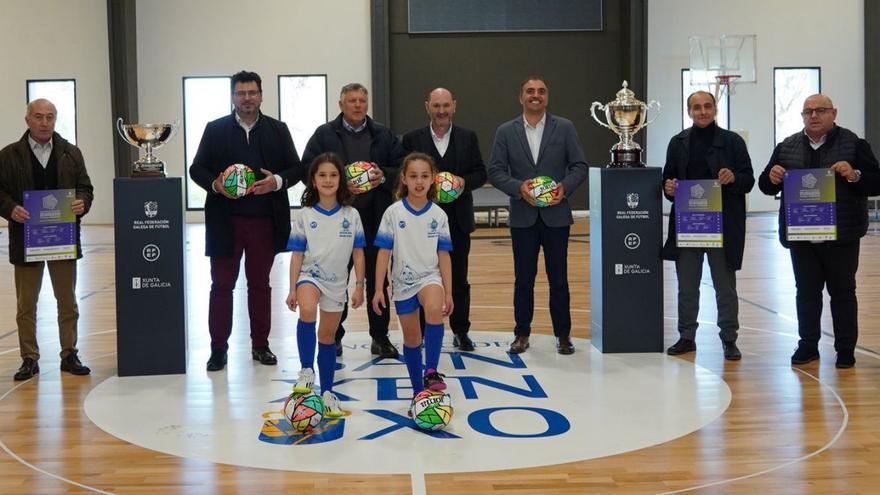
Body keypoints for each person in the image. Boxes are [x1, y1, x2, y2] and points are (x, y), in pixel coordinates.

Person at [190, 70, 302, 372]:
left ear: (261, 95)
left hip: (264, 221)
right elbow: (196, 168)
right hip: (225, 222)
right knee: (222, 285)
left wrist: (277, 182)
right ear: (233, 97)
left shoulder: (278, 130)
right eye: (241, 93)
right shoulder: (215, 130)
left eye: (252, 92)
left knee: (260, 285)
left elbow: (297, 167)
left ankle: (260, 345)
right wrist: (217, 185)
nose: (247, 98)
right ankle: (218, 349)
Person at [759, 93, 880, 369]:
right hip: (802, 237)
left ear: (833, 113)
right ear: (802, 116)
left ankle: (845, 349)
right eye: (808, 111)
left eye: (820, 110)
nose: (813, 115)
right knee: (806, 293)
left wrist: (854, 174)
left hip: (842, 237)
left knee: (843, 294)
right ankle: (808, 345)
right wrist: (771, 177)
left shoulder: (854, 144)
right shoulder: (786, 146)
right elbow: (766, 186)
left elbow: (876, 182)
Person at [301, 83, 404, 359]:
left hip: (376, 218)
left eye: (362, 100)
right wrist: (337, 184)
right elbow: (306, 168)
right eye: (352, 100)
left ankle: (380, 337)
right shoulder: (324, 134)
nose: (358, 105)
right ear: (341, 104)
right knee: (336, 278)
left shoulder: (382, 134)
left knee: (378, 279)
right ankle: (334, 336)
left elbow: (402, 169)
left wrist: (381, 176)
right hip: (337, 222)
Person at [488, 75, 587, 355]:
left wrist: (564, 188)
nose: (536, 95)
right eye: (530, 91)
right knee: (524, 279)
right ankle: (521, 333)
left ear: (547, 97)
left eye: (541, 91)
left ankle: (563, 334)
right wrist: (519, 188)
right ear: (521, 97)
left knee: (559, 279)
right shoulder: (505, 131)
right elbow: (495, 171)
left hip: (556, 216)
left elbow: (579, 165)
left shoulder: (564, 128)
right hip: (523, 216)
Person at [0, 99, 94, 380]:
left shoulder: (72, 153)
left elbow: (86, 189)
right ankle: (29, 358)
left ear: (56, 120)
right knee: (26, 304)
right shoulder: (8, 155)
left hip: (62, 237)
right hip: (26, 237)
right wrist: (9, 209)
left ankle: (69, 353)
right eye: (38, 117)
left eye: (49, 117)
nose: (44, 122)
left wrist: (81, 203)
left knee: (67, 301)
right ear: (27, 119)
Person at [661, 90, 754, 361]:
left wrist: (733, 177)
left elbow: (748, 180)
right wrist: (668, 187)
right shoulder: (677, 142)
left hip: (722, 226)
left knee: (725, 286)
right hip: (688, 225)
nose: (703, 111)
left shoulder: (733, 141)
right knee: (687, 286)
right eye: (697, 107)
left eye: (707, 106)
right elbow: (669, 180)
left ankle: (729, 338)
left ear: (715, 109)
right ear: (689, 111)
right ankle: (686, 336)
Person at [402, 87, 487, 352]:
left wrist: (464, 182)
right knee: (422, 277)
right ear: (427, 106)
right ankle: (425, 331)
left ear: (454, 106)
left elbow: (480, 173)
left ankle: (461, 331)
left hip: (457, 222)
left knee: (458, 278)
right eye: (436, 105)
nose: (441, 111)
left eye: (446, 105)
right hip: (420, 224)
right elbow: (402, 175)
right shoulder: (411, 139)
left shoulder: (467, 137)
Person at [286, 152, 365, 417]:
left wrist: (359, 286)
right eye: (322, 175)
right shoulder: (305, 215)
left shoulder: (351, 215)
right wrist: (291, 288)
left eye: (333, 175)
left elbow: (358, 254)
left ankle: (328, 391)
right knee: (307, 311)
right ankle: (306, 370)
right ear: (313, 180)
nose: (328, 180)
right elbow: (297, 254)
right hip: (310, 276)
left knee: (328, 337)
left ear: (340, 179)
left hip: (337, 284)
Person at [372, 152, 453, 403]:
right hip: (403, 283)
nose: (419, 182)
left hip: (430, 277)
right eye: (414, 176)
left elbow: (444, 255)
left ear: (433, 180)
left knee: (432, 308)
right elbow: (383, 253)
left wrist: (448, 292)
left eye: (425, 176)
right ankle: (419, 393)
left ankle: (431, 371)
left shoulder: (439, 215)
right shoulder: (393, 213)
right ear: (404, 179)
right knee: (412, 339)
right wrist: (378, 289)